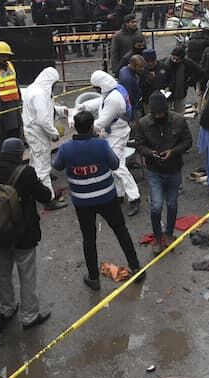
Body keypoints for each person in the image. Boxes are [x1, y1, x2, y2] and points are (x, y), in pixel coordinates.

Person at [53, 111, 142, 290]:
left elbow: (57, 166)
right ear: (92, 126)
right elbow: (115, 164)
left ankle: (93, 278)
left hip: (82, 201)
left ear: (75, 128)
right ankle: (136, 268)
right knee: (120, 231)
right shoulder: (101, 145)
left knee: (89, 238)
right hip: (107, 197)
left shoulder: (66, 149)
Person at [0, 138, 54, 330]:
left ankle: (7, 308)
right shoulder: (26, 172)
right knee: (27, 275)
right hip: (23, 233)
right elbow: (45, 196)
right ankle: (29, 315)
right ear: (20, 153)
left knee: (3, 273)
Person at [134, 93, 192, 253]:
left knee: (172, 203)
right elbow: (139, 144)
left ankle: (169, 233)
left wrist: (173, 152)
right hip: (155, 171)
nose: (158, 116)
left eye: (161, 113)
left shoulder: (178, 121)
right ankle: (158, 237)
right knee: (156, 206)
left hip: (174, 169)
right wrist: (150, 153)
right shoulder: (143, 124)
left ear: (166, 110)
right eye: (155, 114)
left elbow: (188, 141)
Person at [86, 70, 142, 216]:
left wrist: (83, 123)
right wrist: (85, 107)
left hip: (116, 133)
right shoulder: (115, 89)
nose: (97, 90)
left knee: (117, 166)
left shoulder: (113, 98)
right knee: (115, 165)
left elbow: (102, 121)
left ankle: (134, 197)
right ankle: (119, 194)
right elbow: (101, 101)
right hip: (117, 132)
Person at [22, 67, 68, 209]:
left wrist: (60, 111)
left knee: (35, 161)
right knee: (43, 166)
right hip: (38, 132)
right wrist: (54, 134)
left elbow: (46, 108)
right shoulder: (40, 94)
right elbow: (43, 119)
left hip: (33, 130)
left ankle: (30, 188)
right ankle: (48, 199)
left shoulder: (36, 89)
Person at [157, 45, 204, 114]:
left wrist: (191, 81)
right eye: (173, 58)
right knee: (166, 113)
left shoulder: (187, 63)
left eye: (177, 59)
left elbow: (200, 71)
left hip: (180, 93)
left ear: (182, 58)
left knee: (179, 114)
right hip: (167, 93)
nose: (174, 61)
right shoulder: (164, 63)